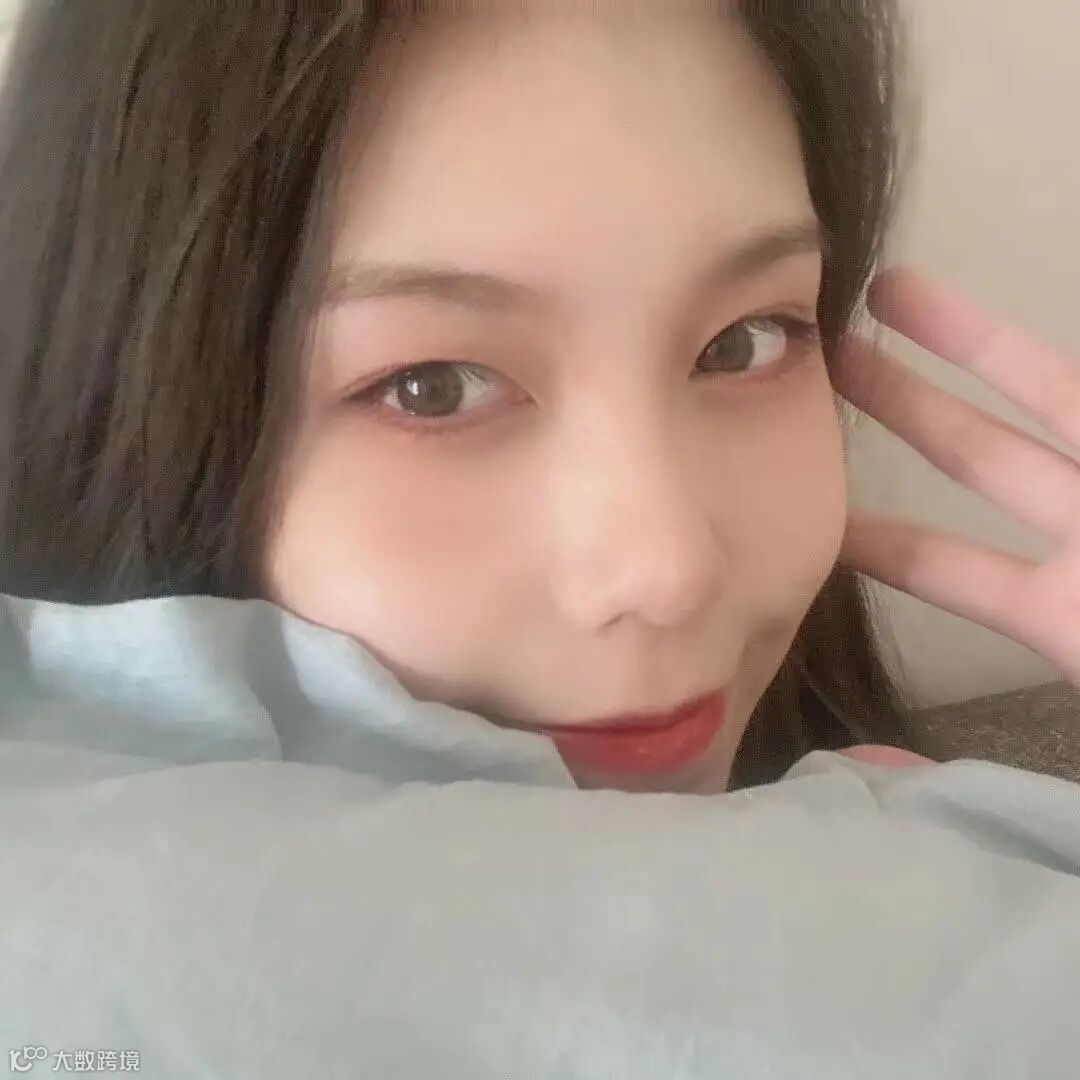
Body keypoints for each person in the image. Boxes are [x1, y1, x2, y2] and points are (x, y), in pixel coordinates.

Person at [2, 3, 1080, 1077]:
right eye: (432, 388)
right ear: (127, 421)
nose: (668, 569)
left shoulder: (942, 887)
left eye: (745, 341)